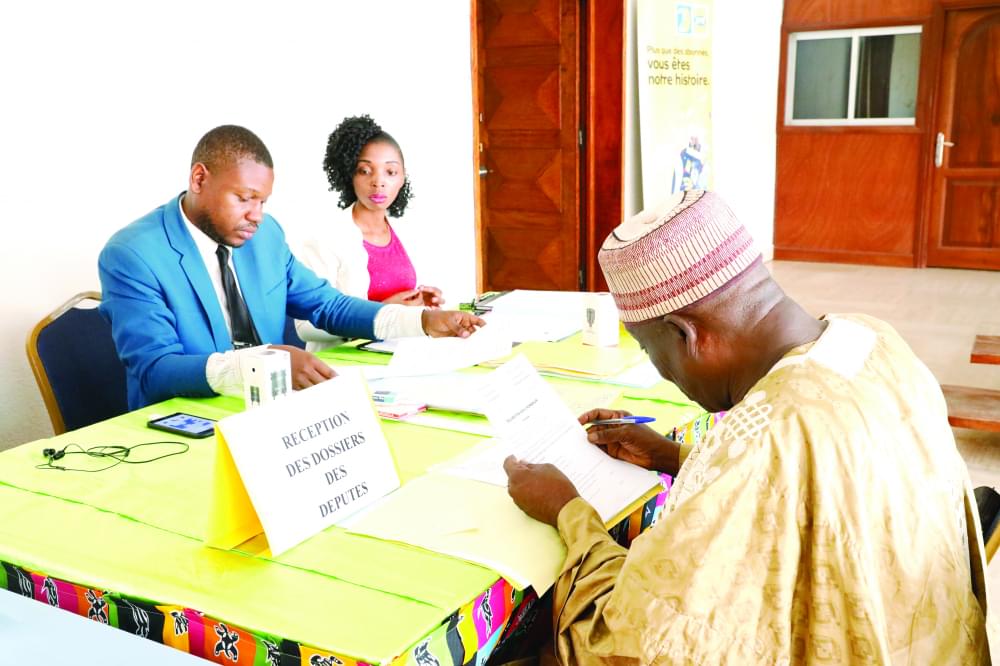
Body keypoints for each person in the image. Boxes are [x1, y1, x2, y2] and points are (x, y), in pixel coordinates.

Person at [503, 190, 989, 663]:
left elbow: (633, 644)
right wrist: (675, 457)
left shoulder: (759, 439)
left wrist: (566, 508)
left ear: (684, 333)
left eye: (651, 352)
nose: (663, 374)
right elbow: (827, 477)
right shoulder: (872, 337)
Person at [99, 125, 482, 409]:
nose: (256, 216)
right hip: (189, 419)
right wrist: (260, 365)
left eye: (263, 201)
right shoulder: (133, 254)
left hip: (273, 412)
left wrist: (421, 322)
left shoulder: (264, 238)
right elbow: (155, 368)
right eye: (245, 199)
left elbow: (329, 306)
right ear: (200, 178)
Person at [295, 115, 443, 351]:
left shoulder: (406, 232)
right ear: (349, 175)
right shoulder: (325, 238)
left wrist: (421, 307)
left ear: (403, 177)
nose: (378, 182)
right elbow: (304, 327)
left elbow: (404, 310)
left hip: (397, 357)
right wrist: (381, 312)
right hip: (343, 366)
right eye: (365, 171)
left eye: (390, 172)